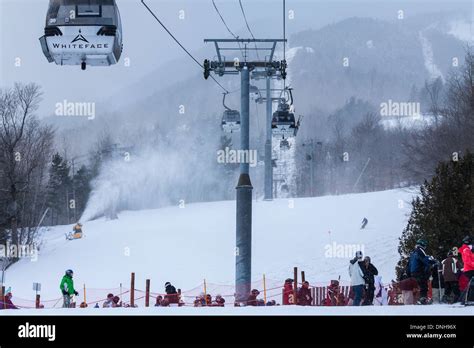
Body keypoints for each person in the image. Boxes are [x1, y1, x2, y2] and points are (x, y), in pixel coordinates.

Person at [407, 239, 437, 305]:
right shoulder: (420, 250)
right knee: (423, 285)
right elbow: (425, 259)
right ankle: (423, 299)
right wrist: (433, 262)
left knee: (420, 285)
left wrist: (408, 273)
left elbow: (409, 264)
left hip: (413, 272)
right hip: (419, 271)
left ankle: (421, 299)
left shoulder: (413, 252)